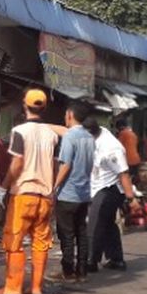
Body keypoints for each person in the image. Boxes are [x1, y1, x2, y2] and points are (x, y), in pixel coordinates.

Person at [0, 90, 61, 294]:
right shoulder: (52, 135)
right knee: (41, 242)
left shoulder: (20, 131)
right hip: (45, 196)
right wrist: (52, 190)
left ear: (25, 105)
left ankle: (13, 287)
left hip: (23, 195)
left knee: (14, 241)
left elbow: (17, 163)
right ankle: (37, 287)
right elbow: (56, 164)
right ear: (44, 107)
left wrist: (2, 188)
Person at [51, 103, 96, 282]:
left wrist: (54, 186)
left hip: (68, 194)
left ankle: (68, 271)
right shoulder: (89, 137)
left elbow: (66, 165)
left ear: (70, 115)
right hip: (84, 193)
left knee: (66, 234)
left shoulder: (70, 137)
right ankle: (82, 271)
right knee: (81, 233)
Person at [88, 123, 142, 272]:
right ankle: (116, 259)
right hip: (101, 187)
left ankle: (90, 261)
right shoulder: (97, 135)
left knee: (95, 224)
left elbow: (123, 173)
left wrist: (131, 199)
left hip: (109, 189)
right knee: (107, 224)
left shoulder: (112, 147)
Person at [115, 117, 141, 182]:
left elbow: (117, 146)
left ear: (120, 127)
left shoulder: (123, 133)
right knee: (134, 178)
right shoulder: (133, 134)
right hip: (136, 160)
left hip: (128, 161)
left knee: (126, 179)